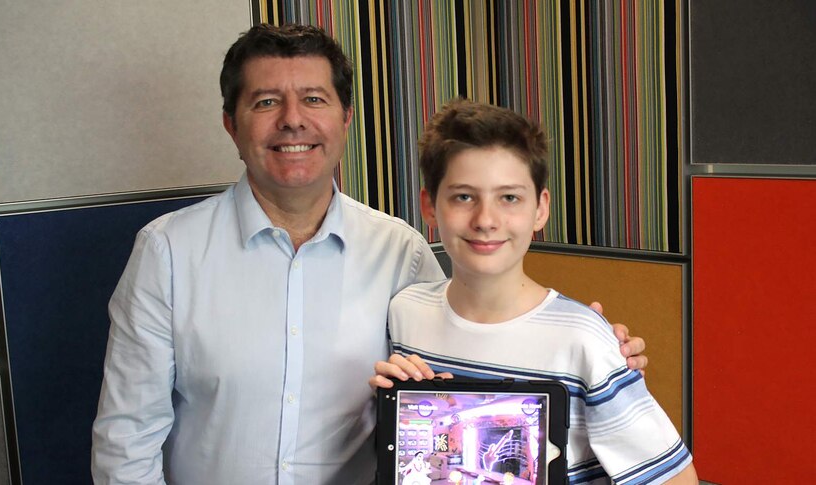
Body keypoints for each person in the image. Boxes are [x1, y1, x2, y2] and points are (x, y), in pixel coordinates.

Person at [91, 24, 647, 484]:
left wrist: (588, 348)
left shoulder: (399, 249)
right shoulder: (167, 252)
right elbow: (127, 439)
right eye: (266, 102)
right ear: (231, 125)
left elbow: (467, 353)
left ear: (345, 120)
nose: (293, 119)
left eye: (314, 99)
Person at [370, 100, 698, 484]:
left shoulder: (583, 338)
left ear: (540, 209)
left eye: (509, 197)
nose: (486, 220)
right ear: (430, 206)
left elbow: (675, 478)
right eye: (463, 197)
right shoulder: (404, 312)